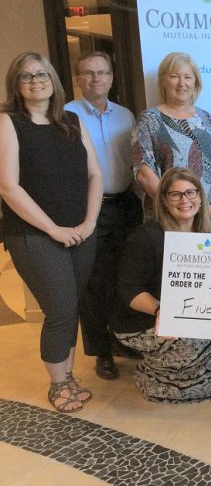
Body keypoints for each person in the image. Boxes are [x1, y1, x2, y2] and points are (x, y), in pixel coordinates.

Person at [0, 51, 103, 413]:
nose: (35, 81)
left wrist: (89, 222)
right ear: (16, 84)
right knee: (59, 309)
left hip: (80, 231)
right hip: (34, 235)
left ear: (53, 81)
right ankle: (58, 383)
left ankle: (69, 375)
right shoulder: (8, 123)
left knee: (71, 306)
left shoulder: (72, 120)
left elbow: (95, 176)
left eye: (41, 74)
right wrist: (53, 229)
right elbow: (9, 187)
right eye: (26, 76)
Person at [113, 168, 211, 402]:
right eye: (176, 195)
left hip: (191, 311)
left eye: (191, 192)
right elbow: (128, 289)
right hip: (144, 318)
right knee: (193, 344)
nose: (185, 200)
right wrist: (162, 311)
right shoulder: (146, 237)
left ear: (200, 196)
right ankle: (158, 380)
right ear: (164, 201)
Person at [65, 50, 142, 381]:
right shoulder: (65, 115)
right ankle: (100, 352)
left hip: (125, 205)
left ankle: (122, 341)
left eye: (102, 72)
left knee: (124, 277)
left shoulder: (126, 115)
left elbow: (132, 164)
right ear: (78, 78)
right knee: (94, 282)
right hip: (87, 209)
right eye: (88, 72)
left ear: (111, 77)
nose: (96, 78)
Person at [133, 52, 211, 229]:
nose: (182, 83)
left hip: (205, 217)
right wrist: (175, 208)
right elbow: (144, 173)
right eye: (174, 76)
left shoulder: (207, 119)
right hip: (168, 219)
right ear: (163, 81)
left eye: (188, 77)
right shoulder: (149, 119)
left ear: (195, 83)